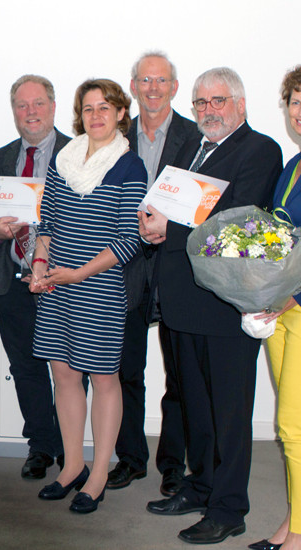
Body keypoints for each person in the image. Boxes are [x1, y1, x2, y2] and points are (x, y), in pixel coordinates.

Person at [142, 67, 282, 545]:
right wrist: (147, 219)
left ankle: (229, 508)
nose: (207, 111)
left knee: (229, 412)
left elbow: (236, 219)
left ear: (240, 104)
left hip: (225, 304)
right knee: (194, 407)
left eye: (217, 101)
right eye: (201, 103)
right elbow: (165, 197)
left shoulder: (261, 150)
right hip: (182, 300)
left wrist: (168, 229)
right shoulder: (191, 146)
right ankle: (199, 487)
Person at [30, 79, 147, 514]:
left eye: (105, 107)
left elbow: (127, 239)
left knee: (103, 379)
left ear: (120, 113)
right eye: (89, 108)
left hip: (97, 288)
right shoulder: (64, 159)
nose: (96, 115)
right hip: (58, 286)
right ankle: (73, 464)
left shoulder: (129, 166)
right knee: (63, 375)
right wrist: (41, 264)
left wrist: (78, 273)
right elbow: (48, 221)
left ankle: (98, 473)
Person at [108, 51, 200, 494]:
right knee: (126, 369)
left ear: (174, 88)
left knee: (178, 373)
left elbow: (206, 202)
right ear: (133, 86)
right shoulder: (113, 135)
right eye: (145, 80)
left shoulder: (196, 135)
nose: (153, 88)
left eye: (161, 80)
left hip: (175, 266)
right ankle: (130, 458)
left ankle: (171, 464)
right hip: (124, 266)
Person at [0, 75, 70, 480]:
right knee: (26, 368)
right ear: (13, 111)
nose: (31, 112)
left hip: (63, 280)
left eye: (38, 103)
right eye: (22, 105)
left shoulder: (80, 153)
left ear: (53, 107)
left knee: (69, 370)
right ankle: (40, 446)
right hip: (12, 281)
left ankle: (68, 447)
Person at [247, 66, 301, 550]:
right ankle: (293, 520)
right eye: (295, 102)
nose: (300, 113)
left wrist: (292, 296)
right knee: (290, 429)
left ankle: (299, 534)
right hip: (282, 308)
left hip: (300, 307)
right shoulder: (292, 165)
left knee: (293, 425)